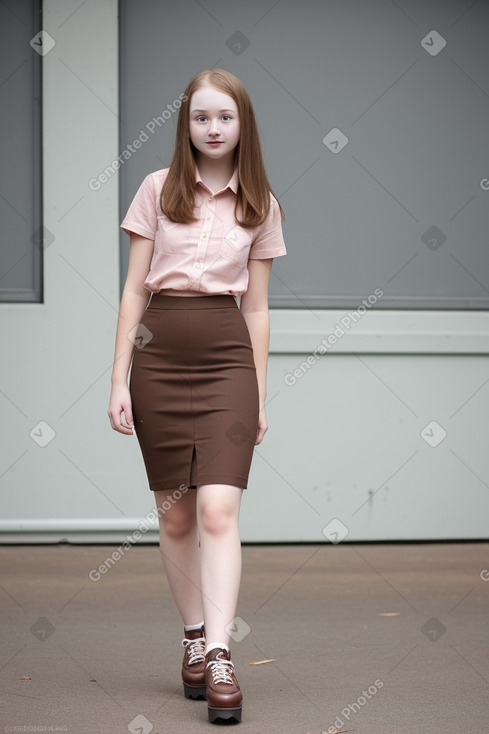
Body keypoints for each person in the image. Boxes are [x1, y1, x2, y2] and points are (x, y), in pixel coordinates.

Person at [107, 68, 286, 724]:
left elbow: (258, 308)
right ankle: (190, 637)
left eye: (225, 118)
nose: (213, 129)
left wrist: (258, 396)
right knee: (176, 514)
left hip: (225, 358)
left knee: (216, 511)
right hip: (159, 354)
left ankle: (219, 655)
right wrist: (118, 377)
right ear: (185, 126)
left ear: (243, 125)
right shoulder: (156, 189)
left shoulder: (260, 201)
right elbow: (133, 289)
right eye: (200, 118)